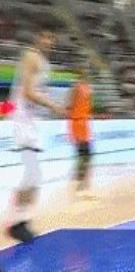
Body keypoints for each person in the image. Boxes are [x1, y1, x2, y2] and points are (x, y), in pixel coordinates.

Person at [4, 26, 65, 242]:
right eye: (46, 36)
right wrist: (52, 105)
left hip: (29, 119)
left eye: (52, 37)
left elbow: (36, 91)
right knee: (32, 172)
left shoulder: (42, 61)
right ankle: (16, 223)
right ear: (38, 37)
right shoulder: (31, 57)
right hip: (22, 118)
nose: (49, 41)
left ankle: (20, 220)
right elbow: (28, 93)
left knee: (35, 175)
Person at [67, 67, 93, 196]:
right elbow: (69, 104)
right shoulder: (76, 87)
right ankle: (79, 185)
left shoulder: (88, 87)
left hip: (84, 123)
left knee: (86, 154)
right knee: (83, 153)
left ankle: (80, 181)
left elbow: (87, 105)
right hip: (77, 122)